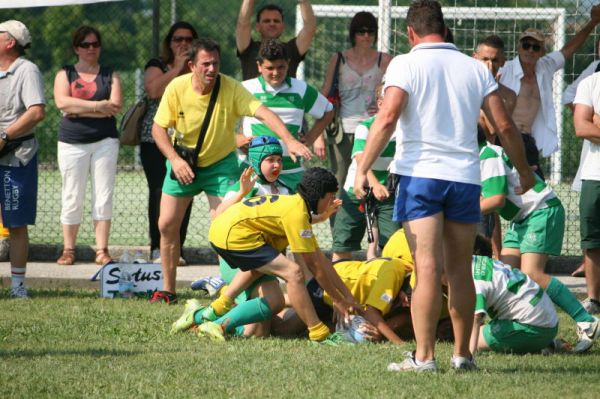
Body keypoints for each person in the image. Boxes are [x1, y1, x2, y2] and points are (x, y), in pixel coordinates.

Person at [354, 0, 535, 372]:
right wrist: (523, 170)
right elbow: (503, 125)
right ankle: (463, 356)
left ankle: (423, 359)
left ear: (410, 32)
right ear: (444, 27)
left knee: (425, 268)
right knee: (460, 271)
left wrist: (363, 169)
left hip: (421, 176)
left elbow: (387, 116)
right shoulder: (474, 68)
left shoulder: (404, 63)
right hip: (465, 178)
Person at [151, 38, 312, 304]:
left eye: (216, 63)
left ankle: (231, 290)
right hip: (183, 163)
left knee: (225, 224)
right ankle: (167, 290)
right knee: (166, 225)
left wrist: (291, 140)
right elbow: (159, 129)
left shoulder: (231, 88)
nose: (212, 68)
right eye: (205, 64)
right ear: (192, 65)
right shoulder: (177, 88)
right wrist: (174, 160)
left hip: (221, 165)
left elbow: (265, 114)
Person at [176, 168, 358, 344]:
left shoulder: (296, 207)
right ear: (319, 195)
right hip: (232, 236)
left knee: (262, 325)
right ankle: (318, 333)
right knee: (293, 273)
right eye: (331, 197)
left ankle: (203, 315)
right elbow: (314, 266)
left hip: (227, 233)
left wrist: (347, 297)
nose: (333, 201)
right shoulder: (296, 213)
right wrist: (337, 299)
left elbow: (321, 261)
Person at [478, 127, 599, 353]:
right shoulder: (473, 161)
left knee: (532, 274)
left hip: (540, 210)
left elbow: (496, 200)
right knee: (505, 273)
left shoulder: (486, 155)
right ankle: (537, 336)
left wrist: (455, 212)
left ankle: (587, 321)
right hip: (521, 218)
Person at [499, 5, 600, 181]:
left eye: (535, 47)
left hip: (528, 142)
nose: (530, 50)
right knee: (499, 193)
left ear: (542, 52)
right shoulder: (504, 70)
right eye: (526, 45)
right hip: (503, 140)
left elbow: (569, 50)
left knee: (539, 197)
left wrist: (593, 22)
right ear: (518, 47)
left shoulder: (545, 67)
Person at [53, 25, 122, 266]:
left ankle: (102, 250)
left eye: (95, 44)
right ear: (76, 48)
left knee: (103, 195)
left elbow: (114, 106)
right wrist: (96, 107)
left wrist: (78, 108)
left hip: (105, 141)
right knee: (72, 195)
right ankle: (68, 249)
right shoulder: (65, 74)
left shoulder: (110, 74)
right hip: (72, 142)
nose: (91, 49)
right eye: (85, 44)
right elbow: (62, 102)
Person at [140, 21, 198, 265]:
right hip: (155, 140)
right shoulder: (157, 65)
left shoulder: (199, 68)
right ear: (169, 42)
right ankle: (157, 248)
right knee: (158, 192)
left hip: (187, 141)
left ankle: (178, 249)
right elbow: (153, 90)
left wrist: (190, 67)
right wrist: (178, 68)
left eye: (188, 39)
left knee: (185, 194)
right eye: (178, 39)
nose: (183, 43)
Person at [241, 39, 333, 190]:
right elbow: (222, 120)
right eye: (269, 68)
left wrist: (310, 138)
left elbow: (328, 110)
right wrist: (237, 139)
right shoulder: (246, 88)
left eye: (280, 67)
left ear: (288, 63)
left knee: (295, 213)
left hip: (292, 171)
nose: (276, 73)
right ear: (259, 66)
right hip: (254, 171)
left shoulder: (301, 89)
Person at [321, 12, 392, 195]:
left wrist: (384, 105)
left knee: (375, 176)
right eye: (361, 31)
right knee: (339, 179)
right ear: (353, 34)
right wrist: (318, 134)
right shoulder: (339, 58)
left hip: (373, 127)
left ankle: (372, 222)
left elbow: (394, 91)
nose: (366, 36)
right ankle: (338, 222)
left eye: (370, 31)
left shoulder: (384, 60)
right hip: (344, 130)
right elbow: (325, 93)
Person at [0, 20, 45, 298]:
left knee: (16, 223)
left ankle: (18, 286)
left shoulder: (27, 70)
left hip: (15, 157)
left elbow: (36, 111)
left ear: (10, 42)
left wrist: (4, 137)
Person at [331, 83, 399, 261]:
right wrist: (375, 184)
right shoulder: (365, 127)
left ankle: (386, 286)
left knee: (393, 246)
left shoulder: (406, 130)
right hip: (357, 190)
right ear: (380, 103)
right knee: (343, 244)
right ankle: (337, 287)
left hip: (388, 192)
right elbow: (360, 159)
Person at [470, 235, 561, 355]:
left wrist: (467, 354)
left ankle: (538, 343)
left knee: (473, 339)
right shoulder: (481, 262)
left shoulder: (474, 280)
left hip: (533, 327)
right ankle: (545, 343)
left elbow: (477, 317)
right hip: (548, 322)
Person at [473, 35, 517, 260]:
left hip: (490, 160)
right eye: (485, 60)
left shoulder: (507, 95)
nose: (490, 66)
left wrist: (488, 93)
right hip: (467, 161)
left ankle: (496, 263)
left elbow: (492, 130)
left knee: (492, 213)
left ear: (503, 62)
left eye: (495, 61)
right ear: (475, 58)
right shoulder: (465, 90)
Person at [560, 38, 600, 279]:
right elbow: (581, 125)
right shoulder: (591, 76)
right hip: (594, 169)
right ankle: (594, 291)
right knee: (592, 232)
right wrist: (586, 116)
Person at [573, 70, 600, 315]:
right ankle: (594, 299)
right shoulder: (590, 83)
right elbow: (582, 127)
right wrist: (591, 121)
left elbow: (592, 125)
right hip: (594, 174)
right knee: (592, 241)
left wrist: (597, 120)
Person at [236, 0, 316, 80]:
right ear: (258, 26)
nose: (272, 24)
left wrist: (303, 1)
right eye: (266, 21)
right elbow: (243, 25)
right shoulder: (249, 48)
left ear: (282, 26)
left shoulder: (291, 49)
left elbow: (309, 29)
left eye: (276, 21)